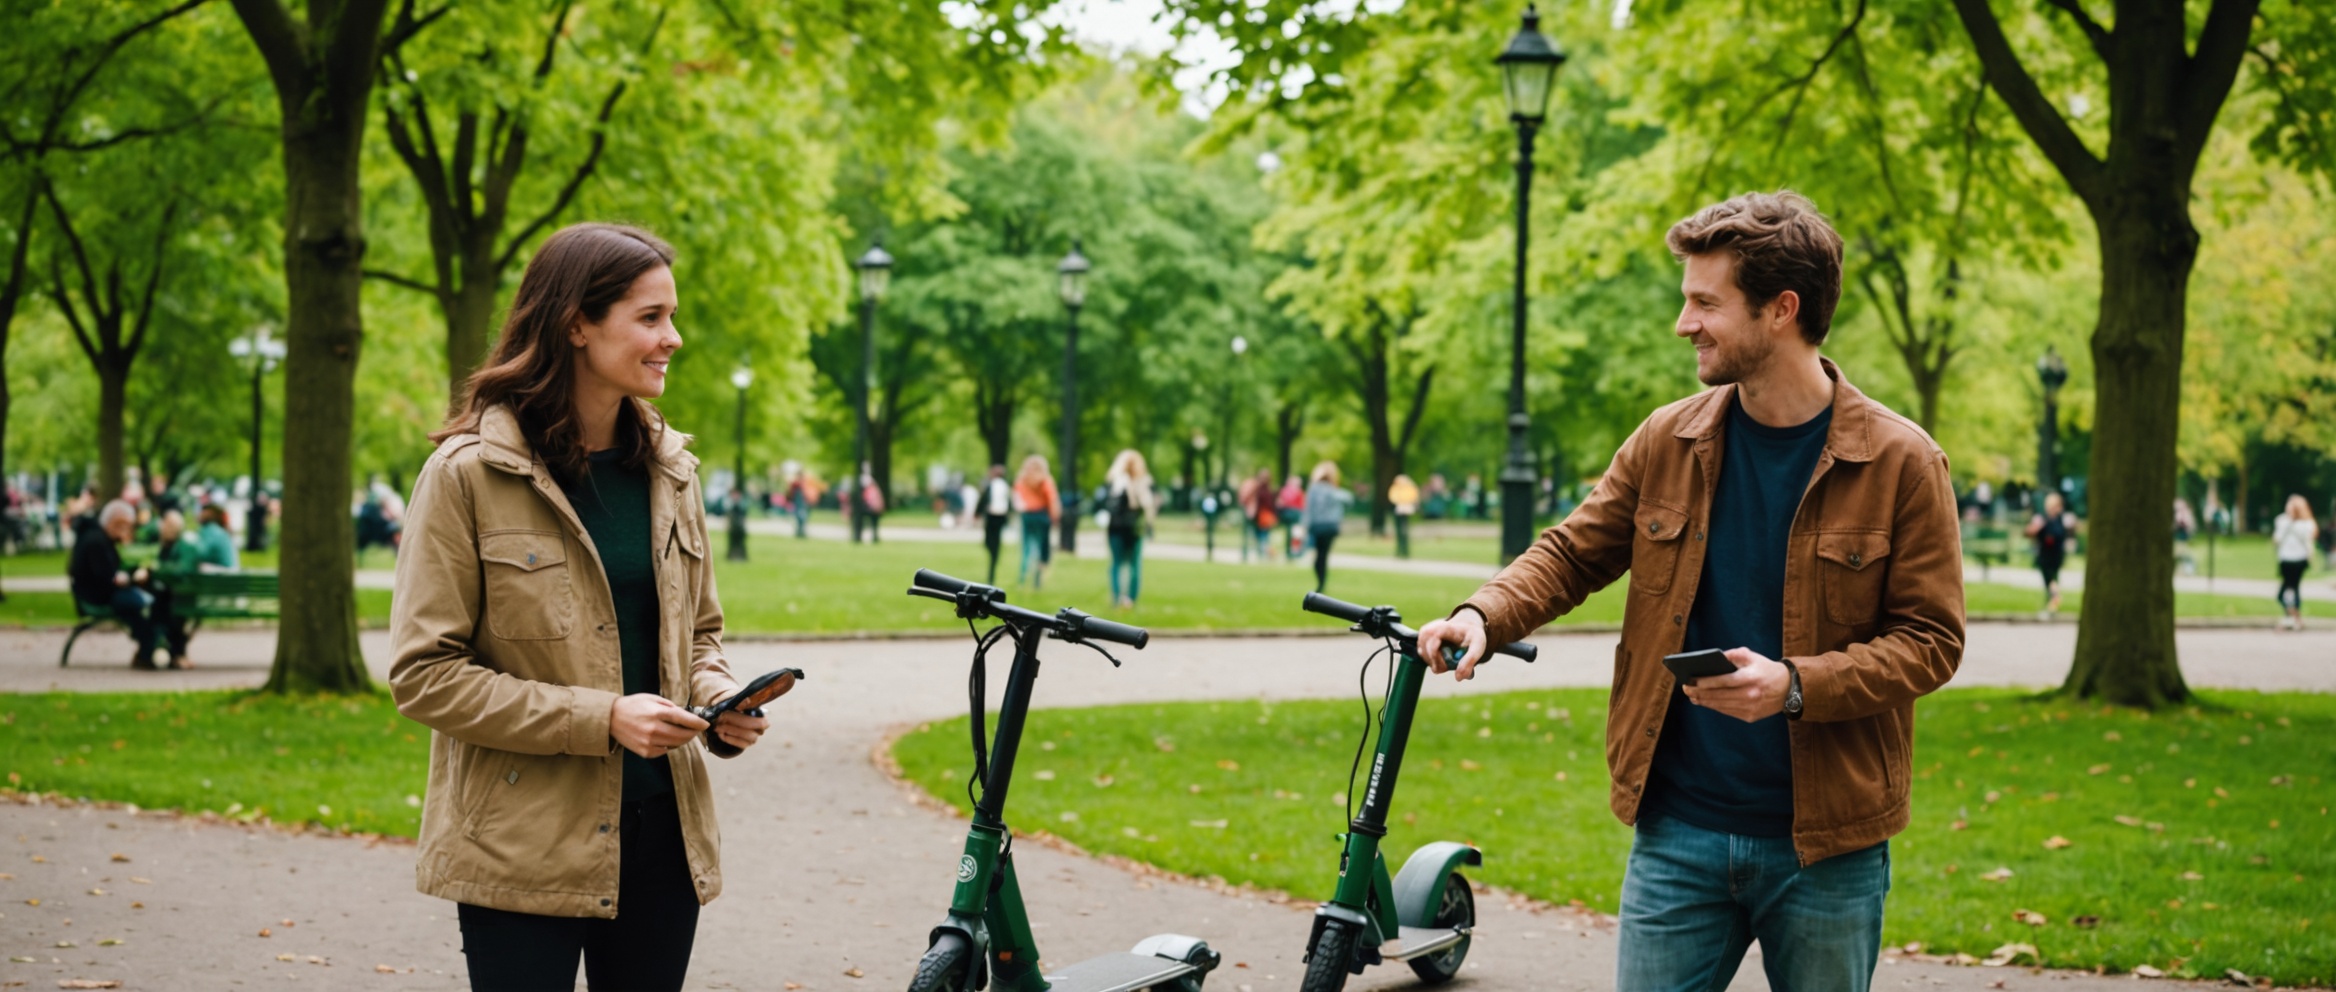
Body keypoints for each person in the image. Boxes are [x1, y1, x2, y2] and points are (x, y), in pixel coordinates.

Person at [1416, 192, 1963, 992]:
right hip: (1677, 832)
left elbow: (1930, 641)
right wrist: (1483, 614)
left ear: (1782, 310)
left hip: (1827, 848)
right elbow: (1570, 552)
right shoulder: (1668, 438)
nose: (1685, 324)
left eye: (1706, 303)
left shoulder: (1902, 463)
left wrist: (1796, 684)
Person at [387, 223, 769, 992]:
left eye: (671, 316)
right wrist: (602, 718)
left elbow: (699, 634)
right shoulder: (466, 474)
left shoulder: (671, 470)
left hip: (664, 833)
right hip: (520, 847)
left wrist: (719, 696)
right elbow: (424, 676)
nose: (674, 337)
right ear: (576, 324)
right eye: (651, 317)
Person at [69, 500, 187, 670]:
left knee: (155, 599)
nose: (127, 531)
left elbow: (110, 573)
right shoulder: (96, 541)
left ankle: (153, 648)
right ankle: (154, 647)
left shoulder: (98, 538)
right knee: (145, 602)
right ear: (113, 522)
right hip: (98, 596)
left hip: (101, 592)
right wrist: (130, 580)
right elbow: (105, 578)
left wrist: (130, 577)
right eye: (124, 526)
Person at [1102, 450, 1158, 608]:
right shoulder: (1120, 483)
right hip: (1122, 528)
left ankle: (1126, 598)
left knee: (1129, 564)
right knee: (1122, 564)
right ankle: (1121, 598)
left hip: (1128, 528)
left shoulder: (1141, 483)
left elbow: (1146, 506)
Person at [2025, 492, 2078, 618]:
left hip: (2052, 554)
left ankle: (2053, 601)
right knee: (2051, 580)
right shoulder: (2044, 519)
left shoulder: (2061, 519)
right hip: (2049, 554)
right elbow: (2029, 533)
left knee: (2050, 579)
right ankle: (2052, 605)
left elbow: (2072, 530)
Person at [2272, 494, 2318, 630]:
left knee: (2289, 589)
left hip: (2299, 559)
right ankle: (2295, 618)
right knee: (2290, 589)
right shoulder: (2281, 520)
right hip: (2285, 559)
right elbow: (2277, 539)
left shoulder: (2306, 523)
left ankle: (2291, 618)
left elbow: (2309, 540)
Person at [1014, 455, 1061, 588]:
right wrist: (1055, 517)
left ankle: (1022, 578)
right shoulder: (1045, 480)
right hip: (1041, 515)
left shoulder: (1022, 480)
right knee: (1041, 548)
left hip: (1027, 515)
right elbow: (1052, 500)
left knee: (1027, 548)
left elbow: (1017, 499)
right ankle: (1037, 580)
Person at [1303, 461, 1348, 592]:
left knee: (1319, 556)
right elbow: (1348, 499)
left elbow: (1309, 509)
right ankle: (1322, 583)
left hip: (1318, 526)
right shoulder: (1333, 490)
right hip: (1330, 527)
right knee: (1323, 555)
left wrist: (1305, 525)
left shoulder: (1314, 488)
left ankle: (1321, 583)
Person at [979, 465, 1013, 584]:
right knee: (994, 541)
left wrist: (977, 513)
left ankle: (993, 555)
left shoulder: (992, 485)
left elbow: (983, 500)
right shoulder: (1005, 486)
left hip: (993, 517)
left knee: (990, 540)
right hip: (999, 518)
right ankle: (994, 554)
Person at [1388, 473, 1421, 559]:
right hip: (1400, 507)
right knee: (1400, 530)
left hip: (1406, 508)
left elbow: (1413, 497)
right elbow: (1393, 497)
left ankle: (1404, 551)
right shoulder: (1396, 488)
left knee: (1404, 530)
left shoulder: (1409, 489)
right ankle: (1400, 551)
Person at [1276, 473, 1306, 560]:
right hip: (1295, 515)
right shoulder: (1296, 491)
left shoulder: (1285, 490)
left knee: (1293, 534)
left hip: (1290, 514)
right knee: (1296, 534)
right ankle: (1294, 552)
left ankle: (1292, 551)